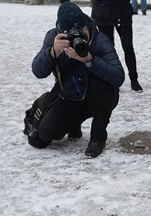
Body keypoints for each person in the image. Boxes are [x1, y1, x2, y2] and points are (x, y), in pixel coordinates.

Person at [28, 1, 124, 158]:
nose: (78, 37)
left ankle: (98, 137)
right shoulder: (53, 37)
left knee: (103, 87)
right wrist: (52, 52)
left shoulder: (99, 40)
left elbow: (118, 77)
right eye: (71, 34)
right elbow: (38, 71)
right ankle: (72, 122)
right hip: (70, 95)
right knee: (43, 136)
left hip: (96, 96)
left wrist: (89, 60)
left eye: (81, 31)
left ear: (86, 25)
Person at [91, 0, 143, 92]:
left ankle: (134, 79)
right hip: (103, 13)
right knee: (107, 49)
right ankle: (111, 80)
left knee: (128, 47)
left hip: (123, 12)